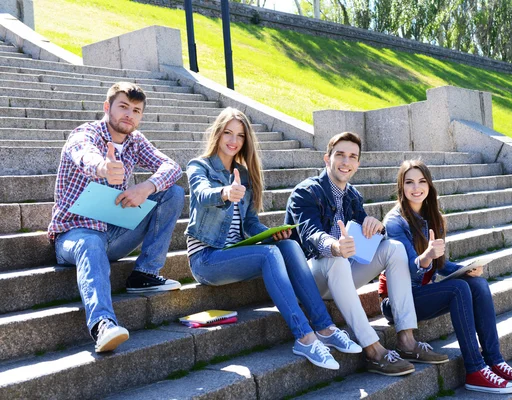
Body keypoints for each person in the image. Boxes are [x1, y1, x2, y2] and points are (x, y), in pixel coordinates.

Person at [185, 107, 360, 370]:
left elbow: (250, 223)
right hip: (207, 258)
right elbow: (201, 192)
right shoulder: (200, 166)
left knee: (287, 245)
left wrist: (271, 233)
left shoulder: (243, 175)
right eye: (228, 133)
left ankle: (324, 328)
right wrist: (224, 192)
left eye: (240, 136)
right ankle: (304, 336)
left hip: (236, 253)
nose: (233, 141)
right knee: (269, 254)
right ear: (218, 134)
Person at [285, 132, 448, 377]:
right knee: (335, 256)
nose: (346, 162)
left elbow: (368, 231)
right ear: (326, 158)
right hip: (310, 281)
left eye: (352, 157)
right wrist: (335, 246)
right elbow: (310, 233)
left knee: (393, 248)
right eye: (340, 155)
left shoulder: (352, 195)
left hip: (341, 277)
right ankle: (372, 349)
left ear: (358, 164)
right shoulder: (306, 192)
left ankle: (407, 341)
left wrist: (376, 225)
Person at [48, 82, 185, 353]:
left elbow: (172, 166)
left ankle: (144, 273)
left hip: (113, 231)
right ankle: (103, 325)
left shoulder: (135, 141)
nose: (129, 115)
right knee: (90, 242)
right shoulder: (86, 133)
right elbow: (83, 153)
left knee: (173, 193)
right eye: (123, 106)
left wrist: (146, 187)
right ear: (107, 107)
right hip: (73, 235)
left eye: (136, 110)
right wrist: (102, 167)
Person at [380, 159, 512, 393]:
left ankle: (495, 361)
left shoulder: (433, 217)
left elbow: (441, 265)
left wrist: (466, 269)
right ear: (401, 187)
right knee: (458, 289)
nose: (416, 188)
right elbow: (406, 269)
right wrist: (427, 255)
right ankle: (475, 370)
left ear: (430, 185)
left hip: (421, 293)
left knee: (476, 284)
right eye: (409, 182)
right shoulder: (395, 222)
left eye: (422, 181)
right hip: (398, 301)